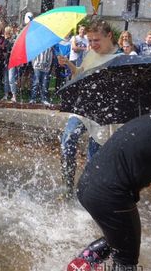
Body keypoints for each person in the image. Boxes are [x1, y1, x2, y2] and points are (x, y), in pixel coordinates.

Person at [72, 111, 151, 271]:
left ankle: (78, 266)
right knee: (127, 262)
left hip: (88, 182)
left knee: (120, 238)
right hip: (109, 193)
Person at [57, 19, 122, 198]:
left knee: (94, 161)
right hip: (83, 107)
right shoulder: (91, 54)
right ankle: (67, 189)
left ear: (109, 36)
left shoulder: (121, 59)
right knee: (68, 140)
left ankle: (87, 196)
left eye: (96, 40)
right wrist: (69, 65)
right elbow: (80, 74)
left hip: (104, 115)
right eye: (90, 40)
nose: (92, 45)